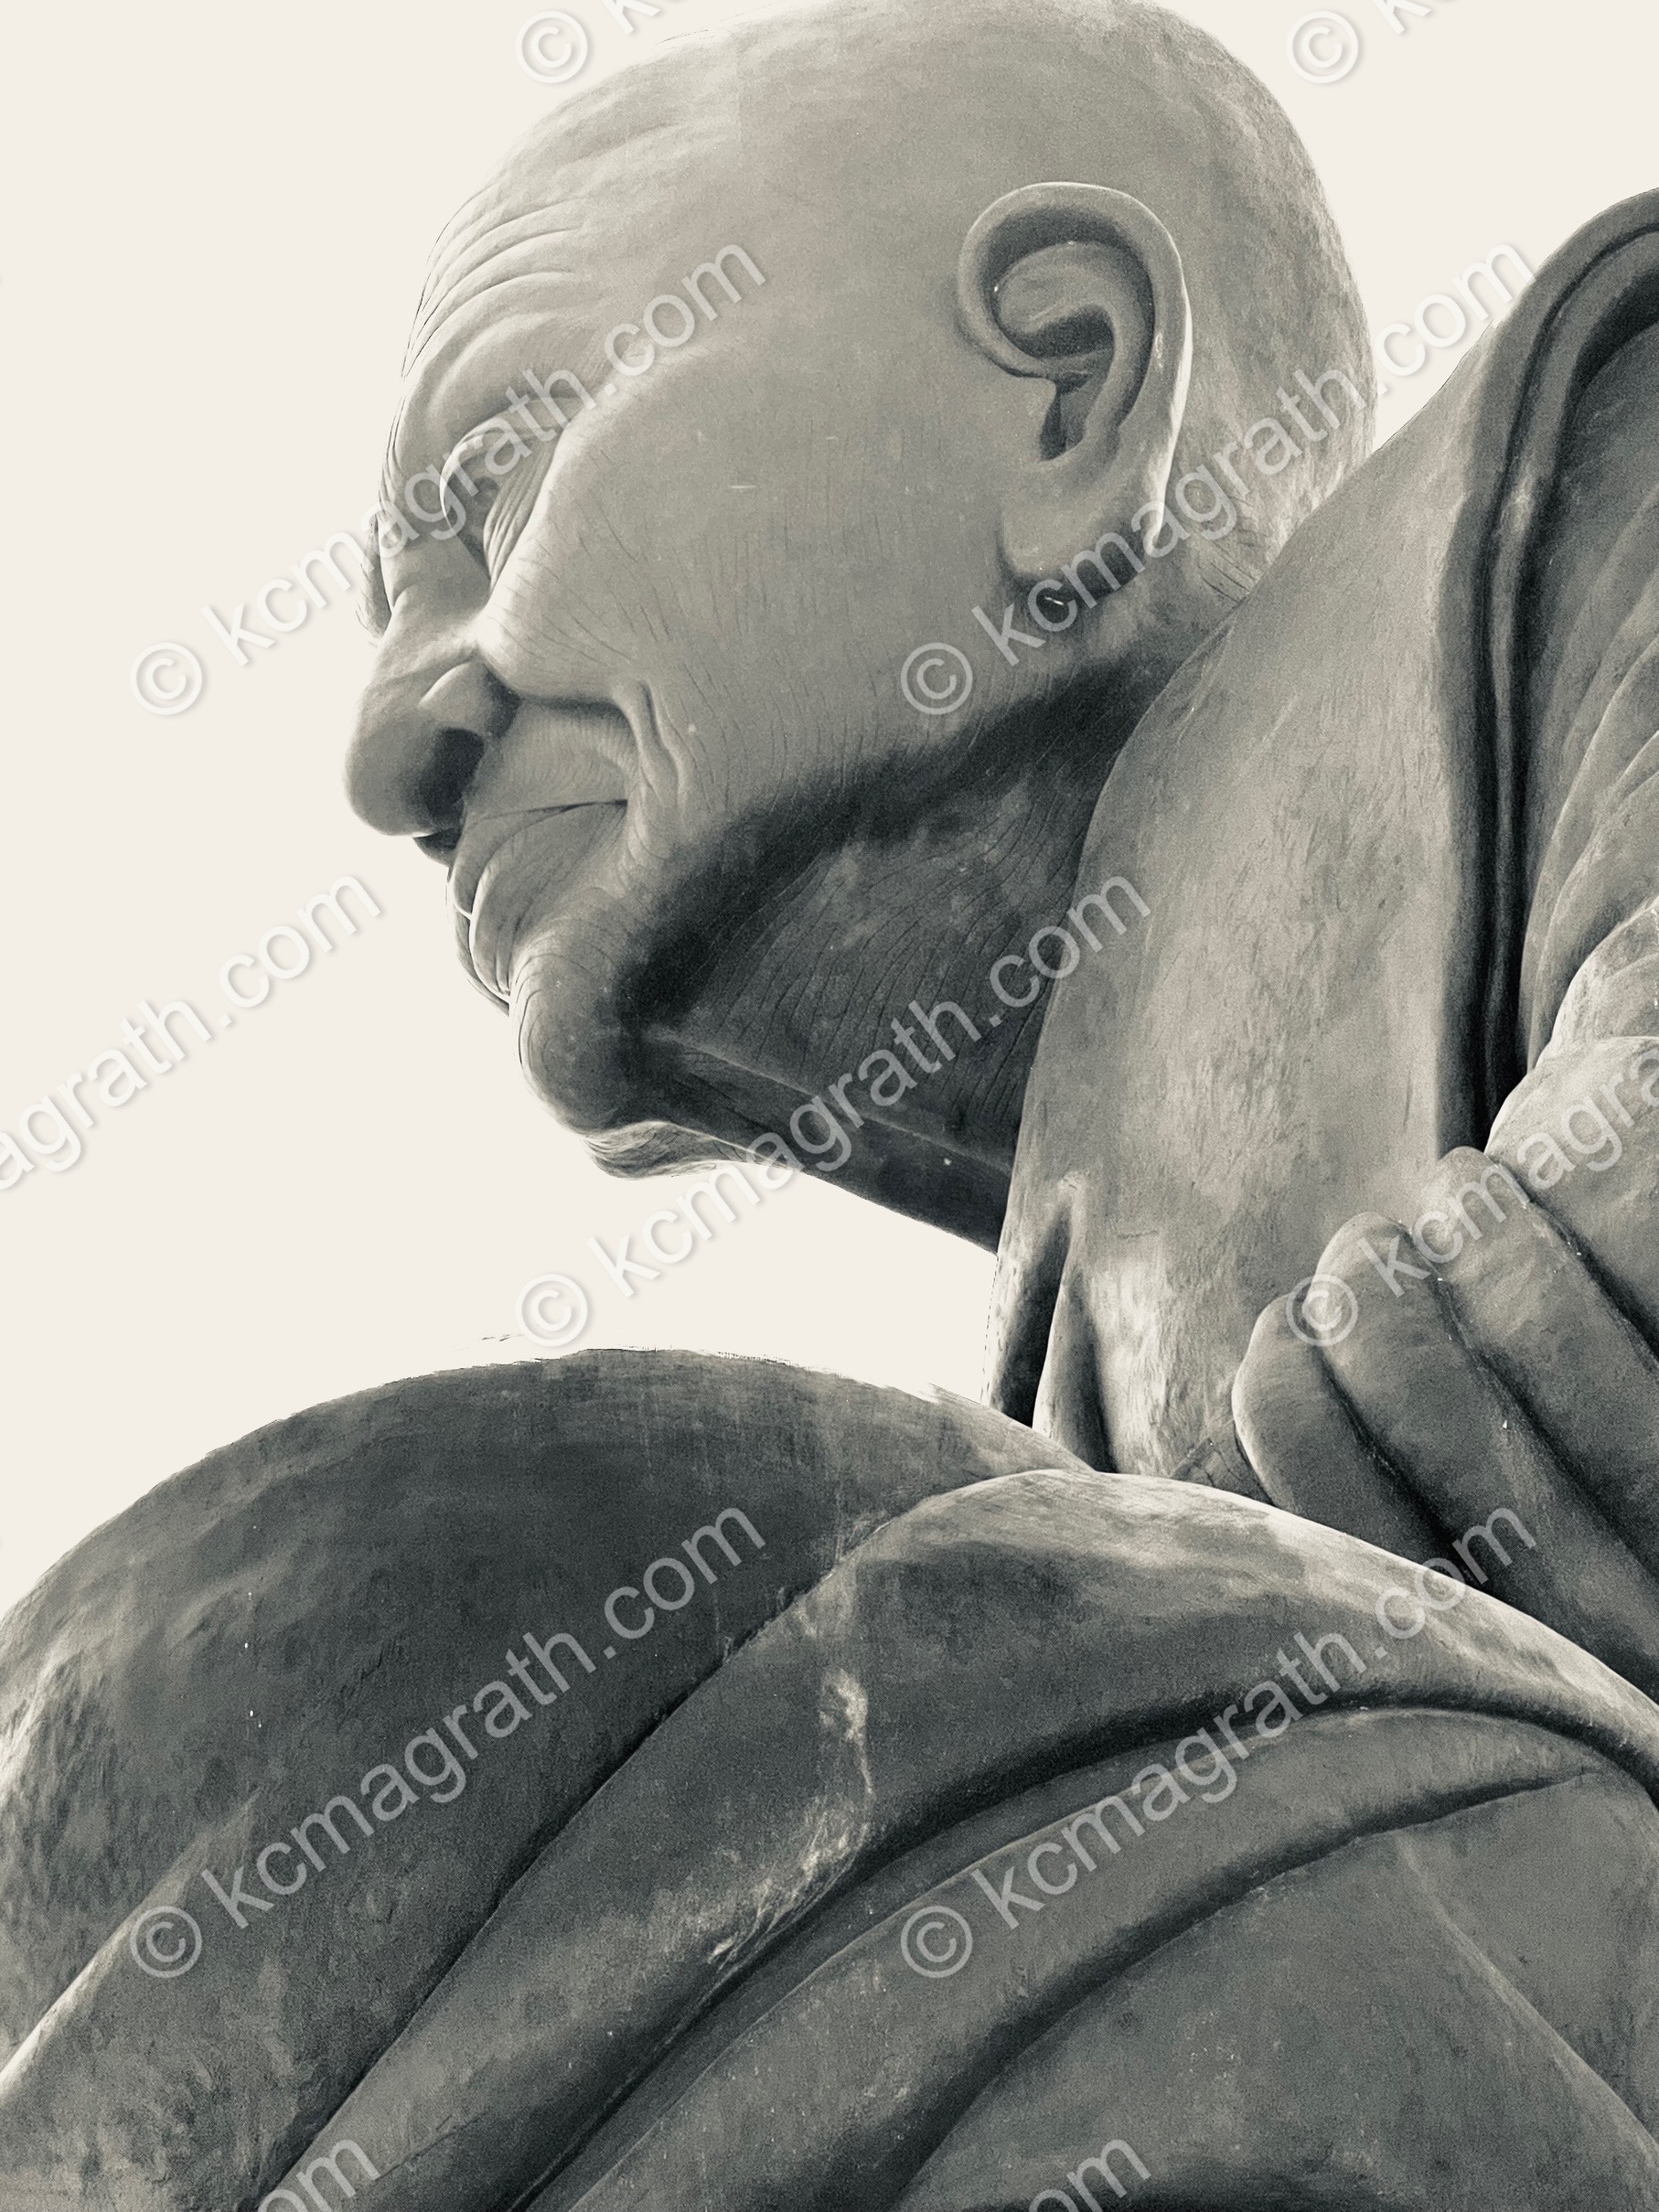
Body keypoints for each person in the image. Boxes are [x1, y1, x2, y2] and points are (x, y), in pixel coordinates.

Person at [6, 2, 1659, 2205]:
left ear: (1068, 380)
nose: (390, 748)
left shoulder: (1595, 473)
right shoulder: (1081, 1408)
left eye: (495, 489)